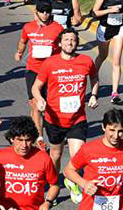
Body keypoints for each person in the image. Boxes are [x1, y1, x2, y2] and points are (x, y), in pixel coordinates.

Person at [31, 28, 99, 202]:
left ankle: (72, 181)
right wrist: (39, 99)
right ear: (60, 43)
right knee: (55, 156)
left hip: (78, 119)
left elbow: (94, 77)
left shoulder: (86, 61)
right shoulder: (50, 63)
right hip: (54, 119)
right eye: (67, 40)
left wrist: (93, 95)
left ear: (77, 43)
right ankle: (53, 186)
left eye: (73, 40)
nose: (70, 43)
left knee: (78, 157)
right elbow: (36, 87)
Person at [63, 109, 123, 210]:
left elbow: (122, 169)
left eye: (120, 131)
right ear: (103, 127)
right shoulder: (88, 149)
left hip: (117, 205)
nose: (115, 136)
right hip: (91, 205)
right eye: (112, 130)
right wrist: (84, 183)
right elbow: (68, 170)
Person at [0, 116, 59, 210]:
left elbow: (54, 185)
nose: (24, 145)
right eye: (20, 140)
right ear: (12, 139)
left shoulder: (43, 157)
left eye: (28, 140)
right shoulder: (0, 155)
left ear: (32, 139)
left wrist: (48, 202)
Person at [15, 0, 63, 137]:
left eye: (48, 12)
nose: (45, 14)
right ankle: (39, 137)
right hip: (33, 70)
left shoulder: (57, 28)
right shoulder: (29, 27)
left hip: (51, 72)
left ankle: (56, 129)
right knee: (35, 104)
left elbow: (63, 47)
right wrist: (19, 52)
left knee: (50, 104)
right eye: (42, 11)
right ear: (36, 12)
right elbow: (23, 41)